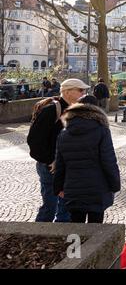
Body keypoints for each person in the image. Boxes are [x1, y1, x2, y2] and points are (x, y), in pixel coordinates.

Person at [27, 78, 90, 223]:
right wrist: (51, 161)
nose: (84, 93)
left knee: (66, 208)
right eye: (80, 90)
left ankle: (61, 240)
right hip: (50, 167)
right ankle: (39, 237)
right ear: (67, 92)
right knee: (50, 206)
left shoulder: (77, 111)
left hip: (69, 168)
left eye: (85, 90)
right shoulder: (51, 110)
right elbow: (34, 141)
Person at [53, 95, 120, 224]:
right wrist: (114, 184)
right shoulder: (102, 130)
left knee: (76, 228)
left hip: (73, 189)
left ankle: (77, 245)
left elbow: (60, 164)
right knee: (95, 229)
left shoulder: (64, 133)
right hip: (97, 188)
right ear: (96, 109)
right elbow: (109, 161)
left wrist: (58, 187)